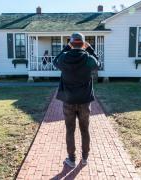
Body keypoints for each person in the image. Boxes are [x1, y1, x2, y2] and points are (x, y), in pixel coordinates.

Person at [53, 32, 101, 168]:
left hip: (68, 101)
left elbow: (54, 61)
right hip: (84, 101)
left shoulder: (64, 57)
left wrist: (66, 48)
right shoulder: (88, 58)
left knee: (70, 130)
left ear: (71, 43)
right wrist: (90, 49)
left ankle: (72, 159)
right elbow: (98, 64)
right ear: (83, 44)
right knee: (85, 130)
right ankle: (85, 158)